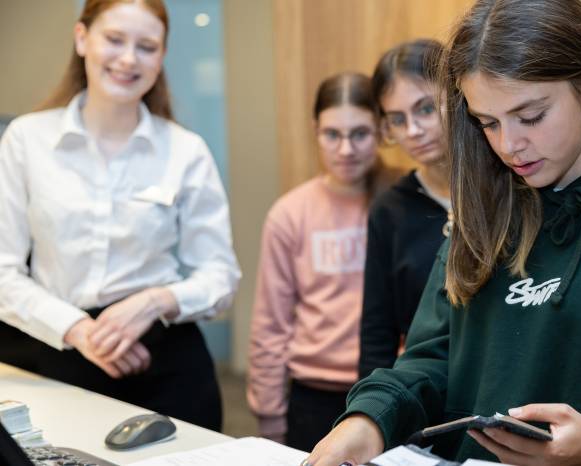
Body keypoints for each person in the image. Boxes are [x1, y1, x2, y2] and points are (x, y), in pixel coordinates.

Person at [305, 0, 581, 464]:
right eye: (487, 123)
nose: (509, 145)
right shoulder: (483, 214)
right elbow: (431, 358)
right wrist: (367, 420)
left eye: (530, 116)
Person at [0, 0, 240, 431]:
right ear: (81, 38)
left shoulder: (186, 150)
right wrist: (78, 329)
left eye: (147, 46)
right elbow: (2, 272)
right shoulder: (26, 139)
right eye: (114, 40)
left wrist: (153, 302)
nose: (129, 59)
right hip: (61, 352)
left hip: (169, 363)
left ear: (161, 56)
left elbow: (220, 275)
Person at [247, 72, 389, 452]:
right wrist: (270, 415)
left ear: (380, 130)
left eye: (360, 133)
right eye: (332, 135)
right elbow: (270, 325)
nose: (346, 149)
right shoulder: (291, 213)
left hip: (388, 393)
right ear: (315, 131)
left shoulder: (399, 204)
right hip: (313, 396)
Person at [359, 38, 451, 379]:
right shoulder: (389, 211)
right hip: (425, 388)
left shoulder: (508, 190)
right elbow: (377, 331)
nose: (413, 130)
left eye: (426, 109)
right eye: (397, 119)